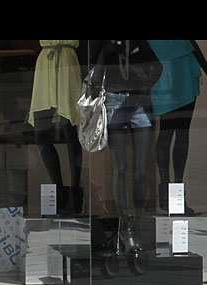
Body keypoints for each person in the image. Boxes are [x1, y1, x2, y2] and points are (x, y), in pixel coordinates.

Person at [91, 40, 162, 253]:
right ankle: (126, 226)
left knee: (141, 171)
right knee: (119, 168)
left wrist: (144, 82)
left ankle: (138, 223)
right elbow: (94, 81)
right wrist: (105, 56)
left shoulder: (142, 45)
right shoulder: (108, 49)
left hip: (140, 102)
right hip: (114, 102)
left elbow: (158, 68)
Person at [148, 40, 207, 212]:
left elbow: (190, 42)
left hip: (183, 65)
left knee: (181, 131)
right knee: (167, 131)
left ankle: (176, 195)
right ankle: (166, 192)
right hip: (163, 67)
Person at [28, 40, 84, 215]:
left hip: (67, 61)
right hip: (46, 62)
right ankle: (58, 187)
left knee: (70, 129)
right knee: (41, 134)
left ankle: (75, 187)